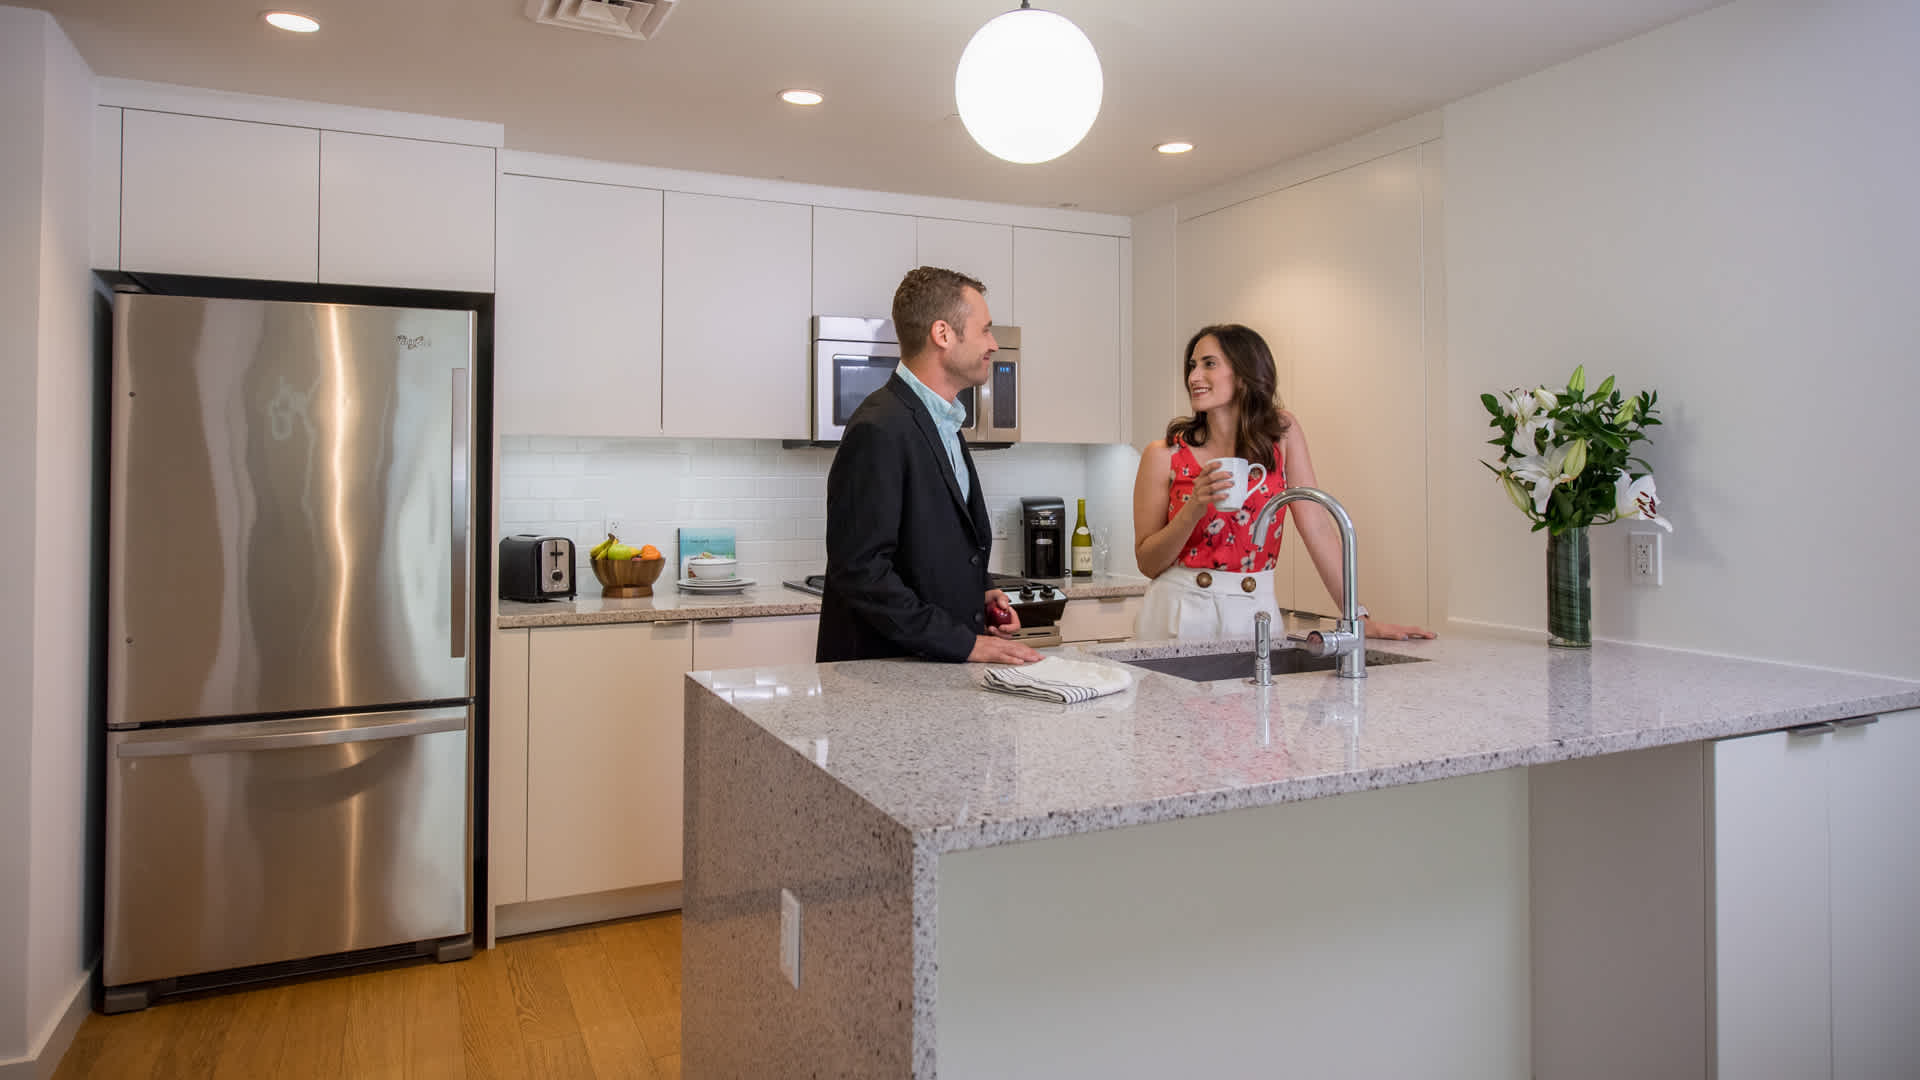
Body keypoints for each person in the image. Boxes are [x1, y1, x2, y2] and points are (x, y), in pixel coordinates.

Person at [1131, 323, 1435, 641]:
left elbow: (1316, 527)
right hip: (1177, 613)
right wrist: (1194, 508)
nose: (1193, 376)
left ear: (1244, 373)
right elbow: (1148, 563)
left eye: (1209, 364)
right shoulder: (1163, 454)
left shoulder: (1281, 433)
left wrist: (1357, 617)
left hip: (1255, 612)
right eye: (1192, 365)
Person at [817, 266, 1041, 665]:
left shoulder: (945, 422)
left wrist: (980, 591)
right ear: (943, 334)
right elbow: (861, 572)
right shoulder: (879, 427)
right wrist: (965, 644)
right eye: (985, 330)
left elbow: (934, 545)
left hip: (933, 672)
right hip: (884, 678)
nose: (993, 344)